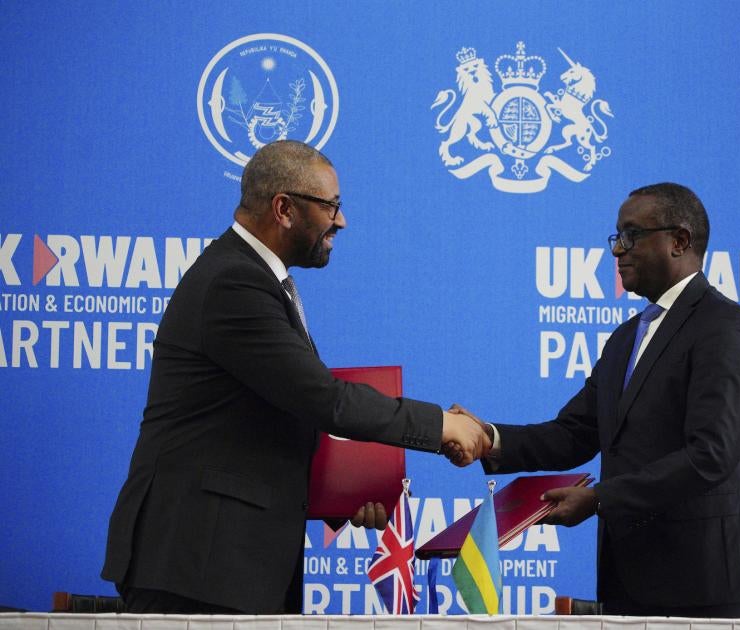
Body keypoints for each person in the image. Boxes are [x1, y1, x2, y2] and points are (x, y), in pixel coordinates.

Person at [101, 140, 490, 614]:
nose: (340, 221)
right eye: (331, 206)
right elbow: (323, 399)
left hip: (228, 566)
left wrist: (344, 492)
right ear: (284, 208)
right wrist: (440, 426)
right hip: (196, 566)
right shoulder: (234, 282)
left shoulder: (257, 278)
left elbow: (275, 414)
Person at [450, 183, 740, 617]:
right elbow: (575, 432)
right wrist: (489, 439)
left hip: (714, 579)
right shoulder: (626, 338)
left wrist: (600, 499)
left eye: (631, 235)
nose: (618, 250)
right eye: (617, 237)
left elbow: (712, 454)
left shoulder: (722, 325)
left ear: (679, 241)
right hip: (635, 578)